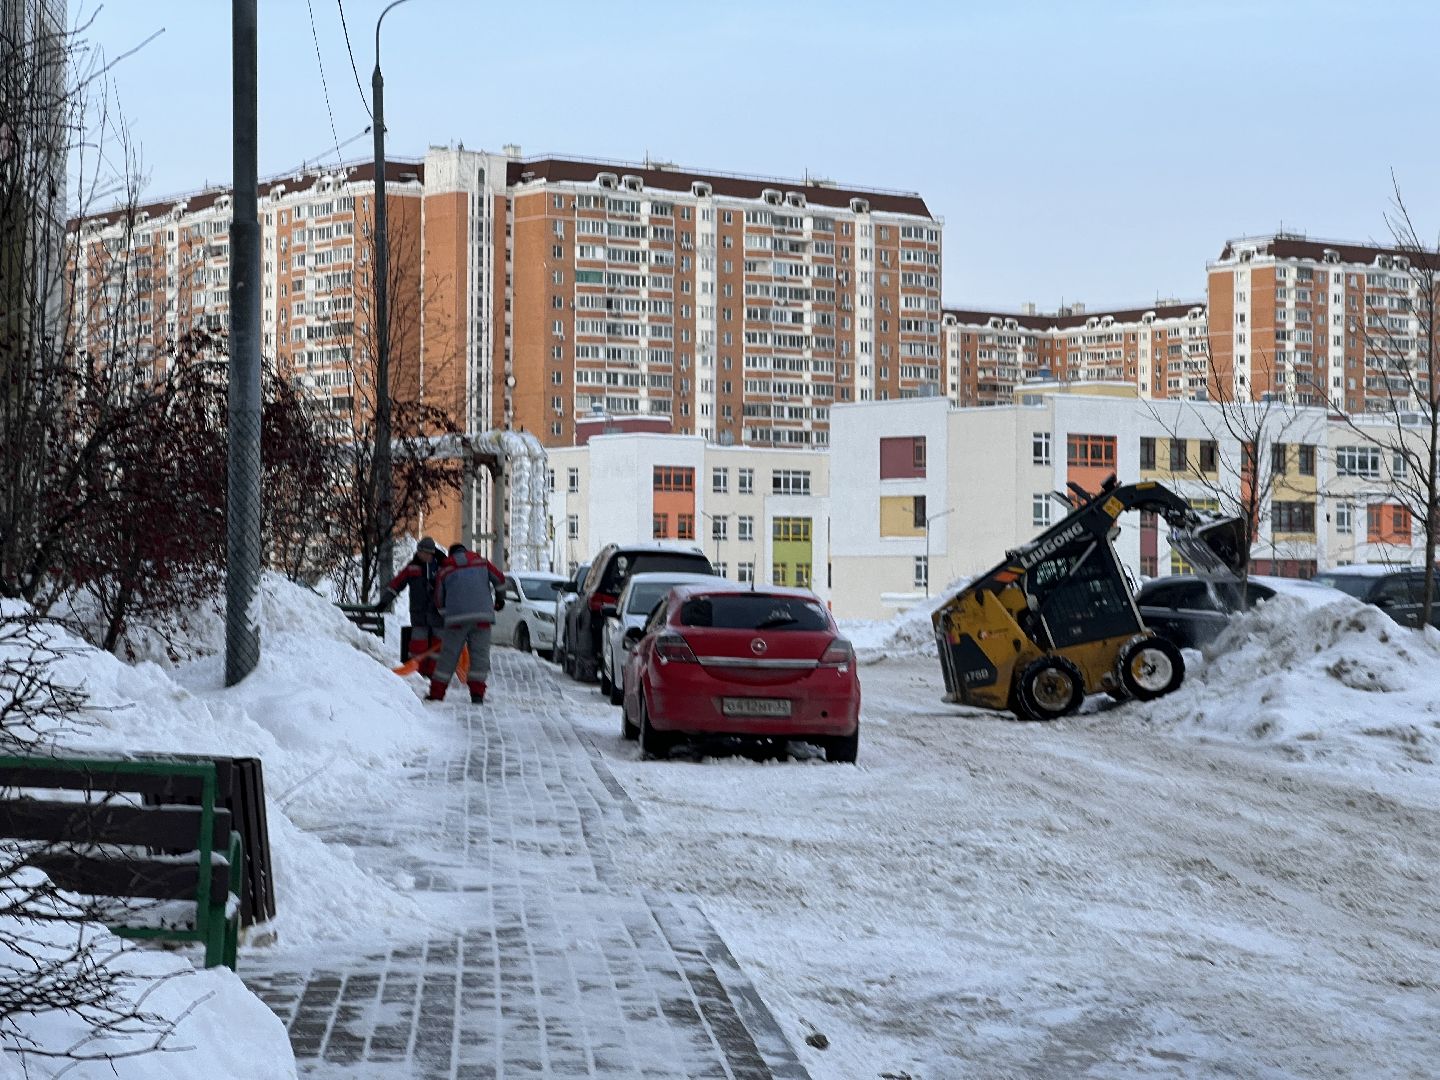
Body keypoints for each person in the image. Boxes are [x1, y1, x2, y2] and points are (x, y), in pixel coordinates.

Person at [428, 542, 506, 703]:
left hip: (456, 620)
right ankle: (477, 694)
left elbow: (438, 598)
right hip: (482, 617)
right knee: (480, 656)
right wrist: (499, 600)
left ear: (451, 555)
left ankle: (437, 694)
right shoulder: (481, 562)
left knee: (448, 657)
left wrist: (446, 615)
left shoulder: (445, 569)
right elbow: (499, 578)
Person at [379, 537, 444, 679]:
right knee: (418, 645)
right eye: (421, 552)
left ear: (432, 553)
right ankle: (417, 674)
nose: (423, 555)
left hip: (438, 613)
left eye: (426, 553)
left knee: (437, 645)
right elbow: (397, 584)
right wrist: (384, 601)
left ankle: (434, 674)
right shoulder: (412, 568)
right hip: (419, 613)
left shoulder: (442, 567)